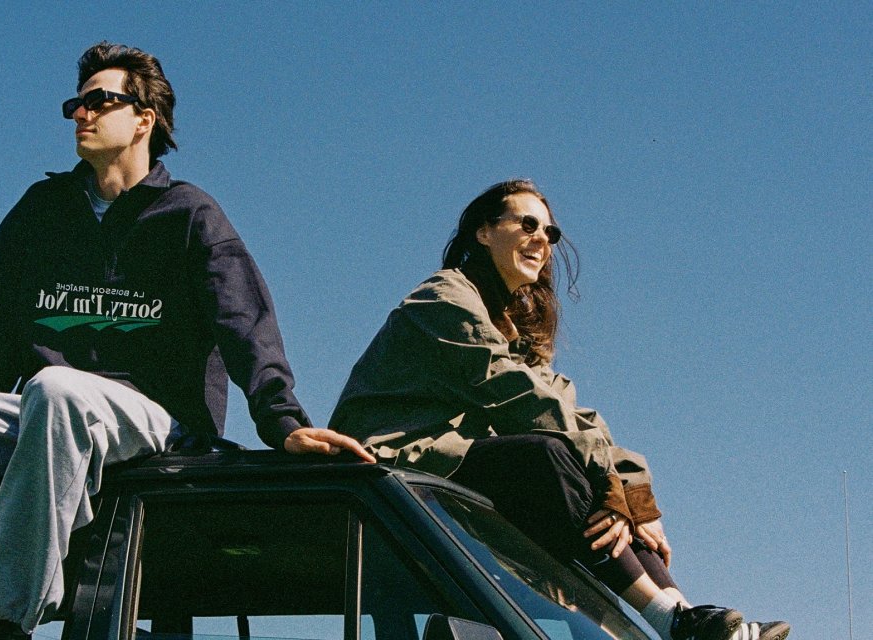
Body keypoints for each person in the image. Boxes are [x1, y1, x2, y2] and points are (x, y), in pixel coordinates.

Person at [0, 41, 374, 640]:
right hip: (45, 416)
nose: (81, 114)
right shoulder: (40, 212)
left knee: (58, 388)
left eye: (99, 101)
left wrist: (282, 422)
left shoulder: (191, 215)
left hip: (153, 420)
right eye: (75, 104)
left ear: (145, 119)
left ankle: (8, 617)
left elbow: (244, 322)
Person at [329, 179, 789, 640]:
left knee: (599, 476)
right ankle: (673, 621)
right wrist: (609, 482)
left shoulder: (507, 323)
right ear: (483, 232)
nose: (542, 240)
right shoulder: (444, 298)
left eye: (550, 233)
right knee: (547, 456)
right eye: (527, 224)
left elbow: (573, 413)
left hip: (444, 464)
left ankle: (686, 619)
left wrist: (633, 491)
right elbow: (520, 398)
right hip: (389, 459)